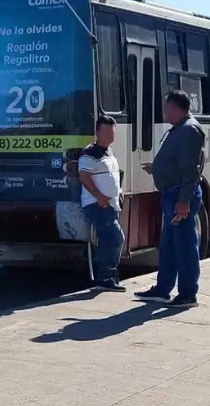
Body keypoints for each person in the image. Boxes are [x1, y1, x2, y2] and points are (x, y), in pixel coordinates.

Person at [135, 90, 206, 308]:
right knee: (168, 245)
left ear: (176, 107)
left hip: (179, 197)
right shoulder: (179, 129)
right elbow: (177, 163)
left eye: (166, 107)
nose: (164, 111)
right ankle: (162, 289)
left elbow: (191, 171)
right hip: (171, 194)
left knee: (184, 245)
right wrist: (157, 169)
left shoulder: (189, 130)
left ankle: (187, 294)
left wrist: (183, 201)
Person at [78, 115, 125, 292]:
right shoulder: (90, 153)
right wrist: (99, 196)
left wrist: (119, 192)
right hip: (97, 205)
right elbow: (84, 176)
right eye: (105, 132)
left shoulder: (109, 151)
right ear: (97, 132)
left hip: (110, 205)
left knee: (107, 240)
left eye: (112, 132)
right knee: (116, 237)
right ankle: (106, 276)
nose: (109, 136)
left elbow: (113, 175)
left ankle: (106, 277)